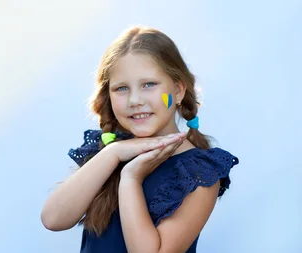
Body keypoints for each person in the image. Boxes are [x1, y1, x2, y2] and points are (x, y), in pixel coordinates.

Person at [40, 26, 240, 253]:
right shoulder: (108, 150)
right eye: (121, 88)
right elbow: (53, 219)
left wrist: (131, 179)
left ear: (177, 91)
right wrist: (112, 154)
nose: (134, 100)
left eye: (149, 85)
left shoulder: (200, 173)